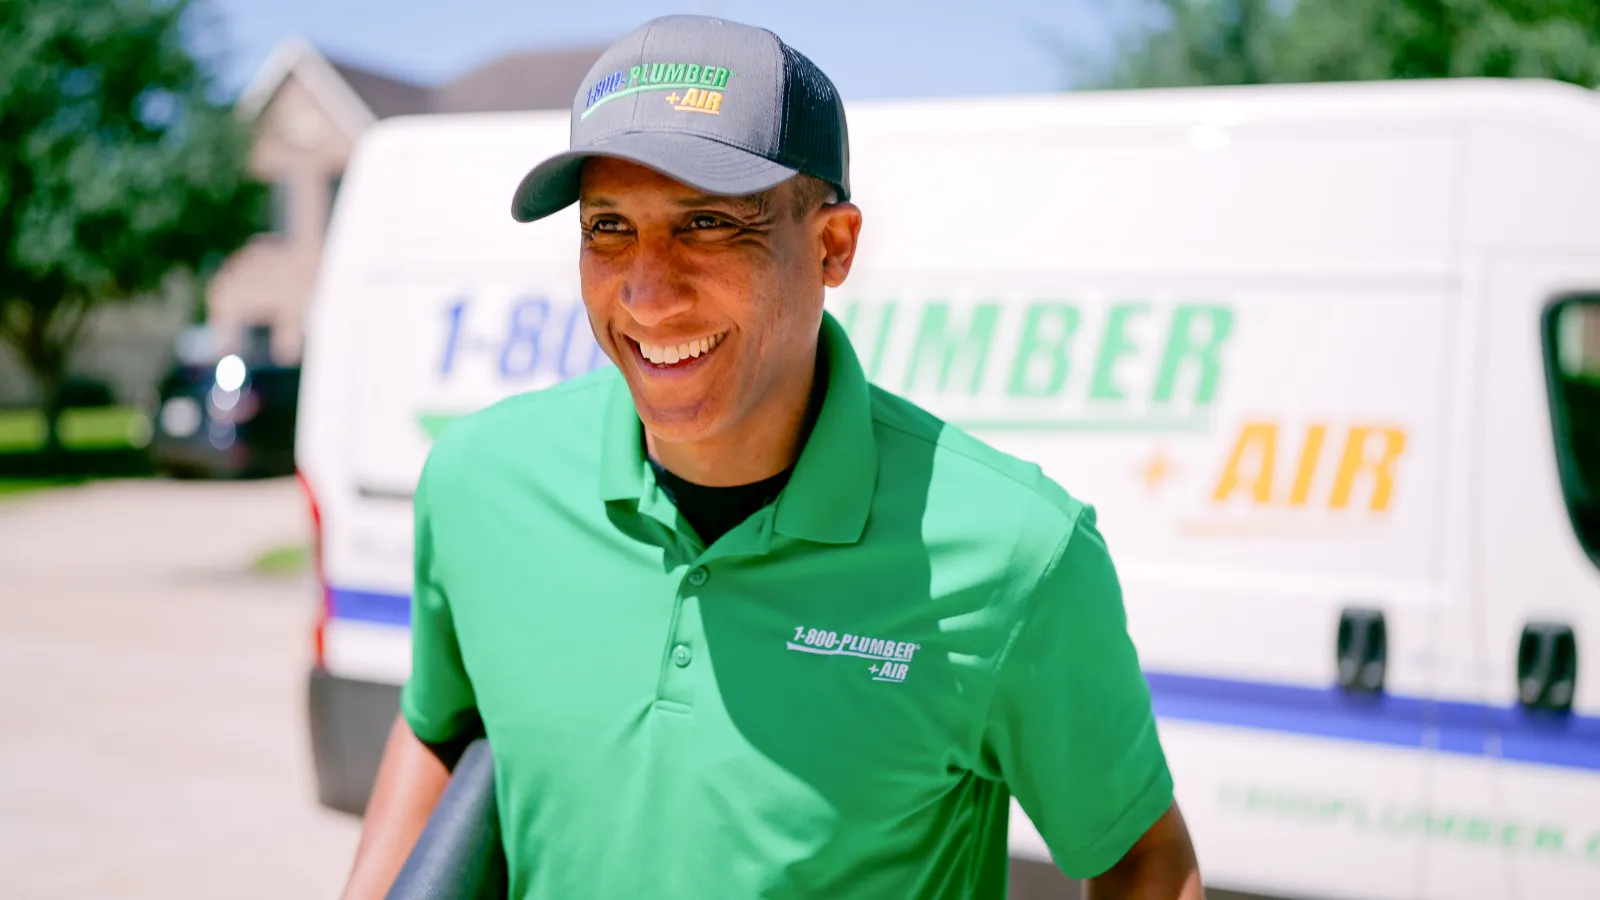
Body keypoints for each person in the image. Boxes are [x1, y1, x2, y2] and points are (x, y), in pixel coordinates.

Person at [341, 13, 1204, 900]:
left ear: (833, 246)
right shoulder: (480, 481)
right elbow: (441, 730)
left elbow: (1144, 861)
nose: (647, 295)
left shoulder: (1020, 557)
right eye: (608, 227)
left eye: (708, 223)